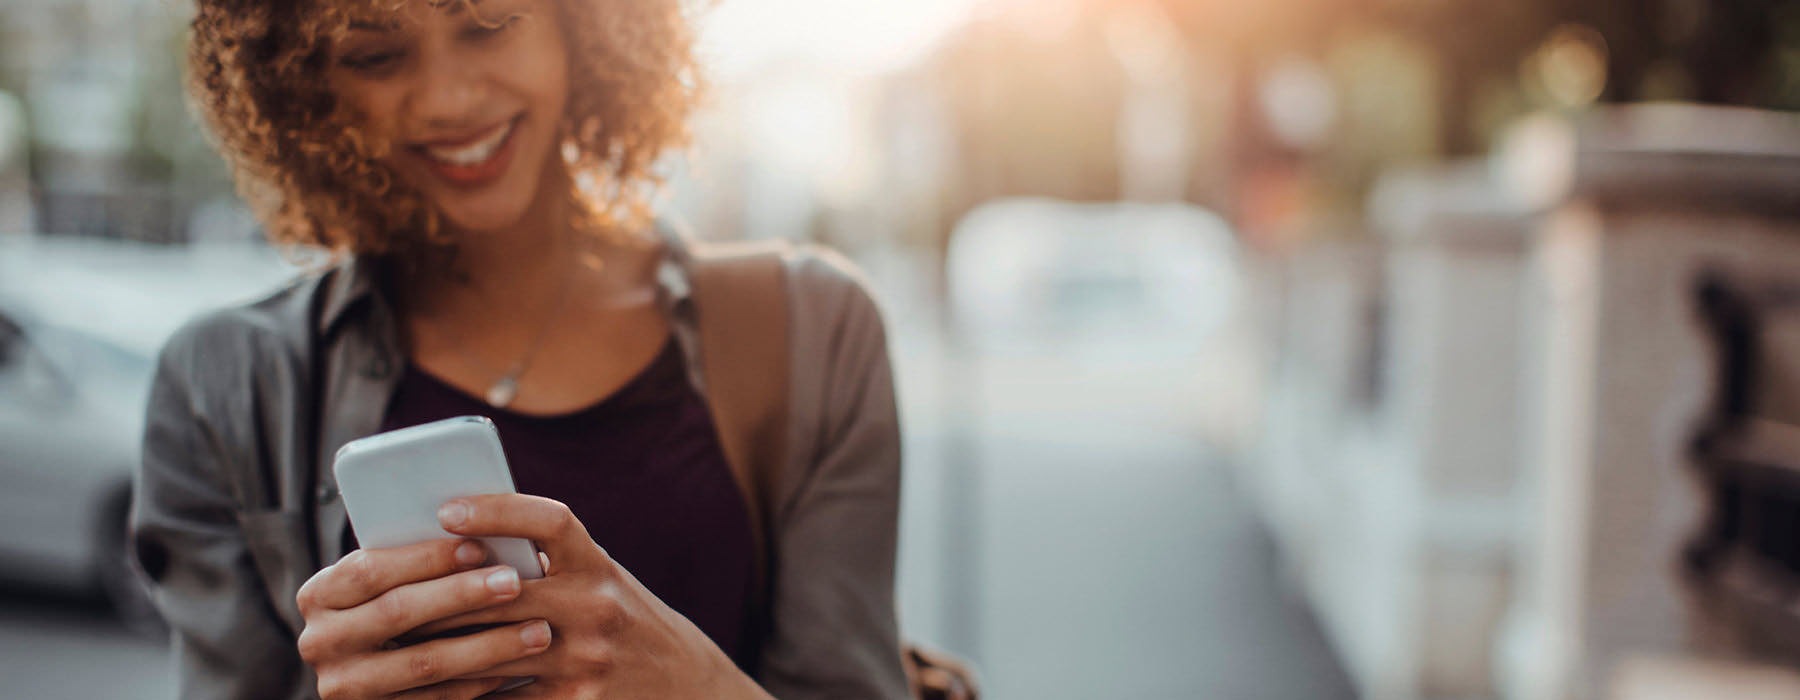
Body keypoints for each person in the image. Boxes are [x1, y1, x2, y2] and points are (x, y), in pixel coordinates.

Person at [128, 0, 907, 698]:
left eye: (489, 26)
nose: (449, 99)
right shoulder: (220, 386)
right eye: (375, 55)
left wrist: (685, 680)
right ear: (304, 87)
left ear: (587, 24)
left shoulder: (811, 329)